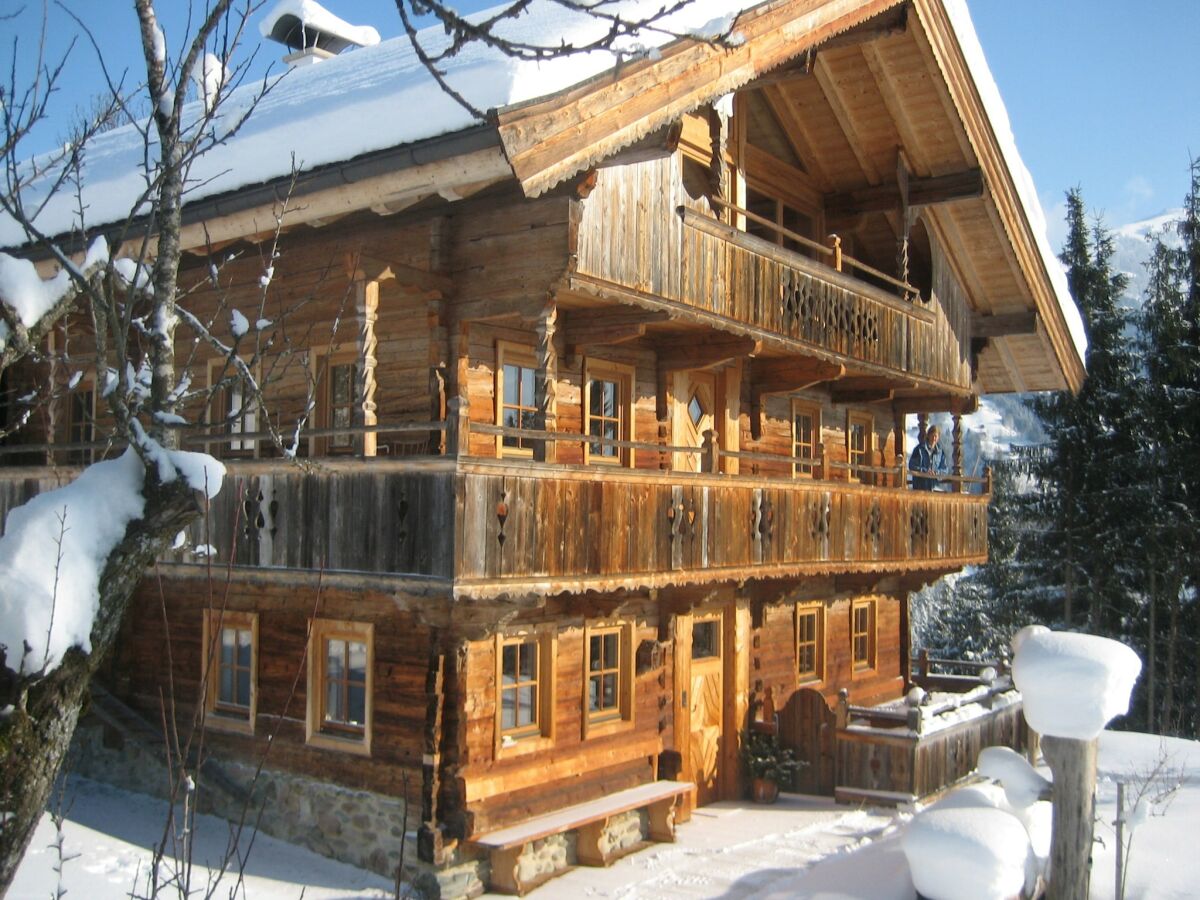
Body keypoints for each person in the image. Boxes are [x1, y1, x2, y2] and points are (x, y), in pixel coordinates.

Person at [909, 425, 946, 490]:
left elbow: (944, 469)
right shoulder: (919, 449)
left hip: (934, 488)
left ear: (938, 438)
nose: (934, 438)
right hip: (919, 488)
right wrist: (925, 471)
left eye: (936, 436)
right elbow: (912, 465)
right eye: (932, 436)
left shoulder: (940, 452)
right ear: (928, 435)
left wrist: (936, 473)